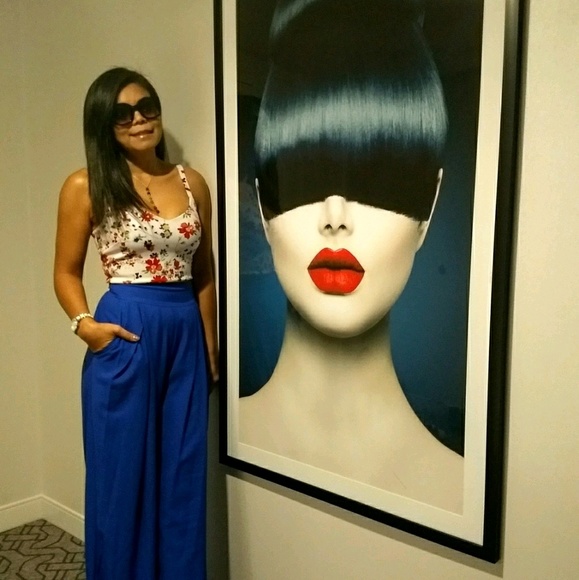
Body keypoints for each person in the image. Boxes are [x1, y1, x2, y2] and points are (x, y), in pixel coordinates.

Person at [238, 0, 463, 512]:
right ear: (263, 207)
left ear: (428, 207)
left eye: (378, 178)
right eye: (303, 176)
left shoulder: (460, 495)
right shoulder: (212, 444)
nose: (335, 216)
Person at [53, 67, 218, 579]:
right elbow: (65, 272)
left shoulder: (193, 183)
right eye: (123, 114)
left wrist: (209, 346)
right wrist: (86, 326)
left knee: (182, 477)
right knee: (120, 480)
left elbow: (204, 271)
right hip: (125, 333)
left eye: (147, 107)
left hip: (184, 336)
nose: (139, 120)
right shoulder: (85, 185)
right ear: (105, 124)